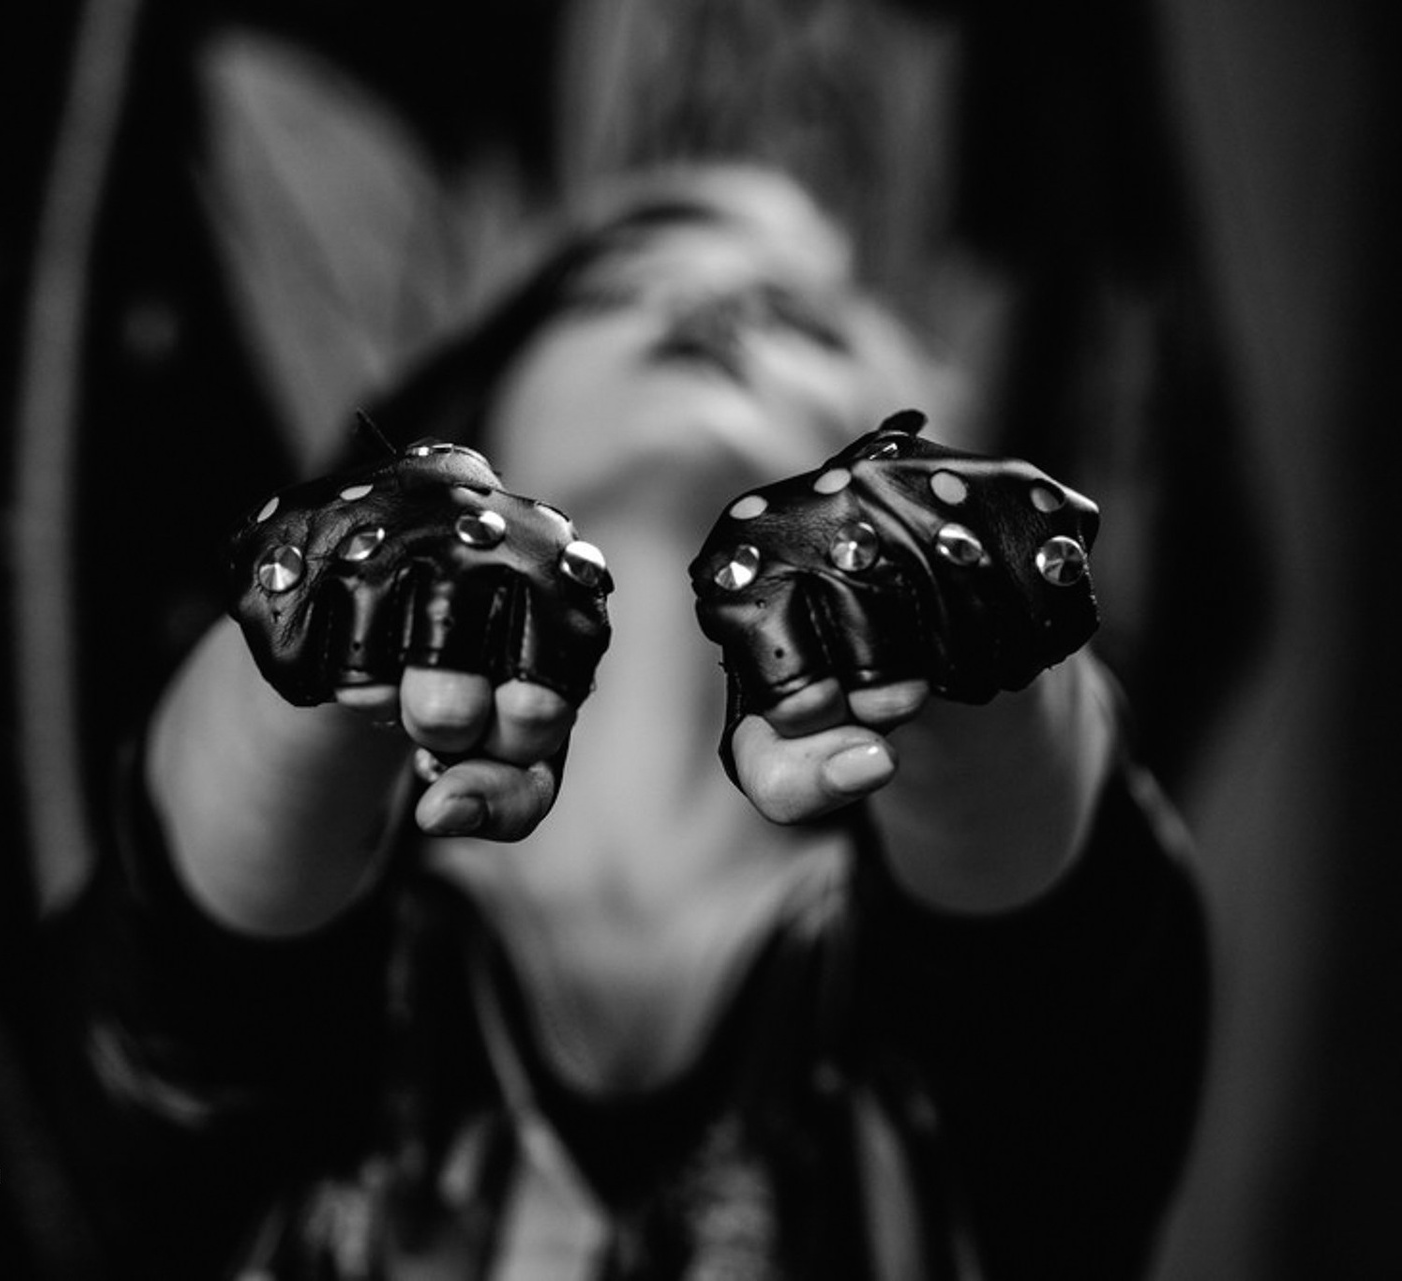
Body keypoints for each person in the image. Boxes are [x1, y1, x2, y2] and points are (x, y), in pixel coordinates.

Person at [88, 166, 1207, 1279]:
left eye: (801, 321)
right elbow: (180, 959)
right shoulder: (347, 978)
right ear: (480, 414)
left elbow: (1060, 953)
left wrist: (958, 611)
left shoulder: (961, 986)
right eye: (618, 290)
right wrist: (341, 578)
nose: (712, 309)